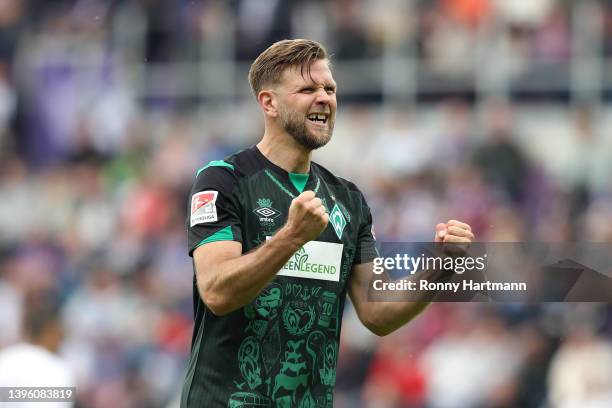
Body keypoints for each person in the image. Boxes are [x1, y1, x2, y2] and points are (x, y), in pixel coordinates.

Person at [181, 39, 474, 407]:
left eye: (330, 89)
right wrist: (291, 238)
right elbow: (216, 292)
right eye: (308, 89)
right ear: (269, 103)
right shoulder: (224, 180)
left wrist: (441, 265)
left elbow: (378, 313)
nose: (324, 98)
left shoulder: (347, 199)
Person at [0, 298, 75, 407]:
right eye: (60, 332)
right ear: (51, 331)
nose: (62, 339)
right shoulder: (56, 368)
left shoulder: (4, 359)